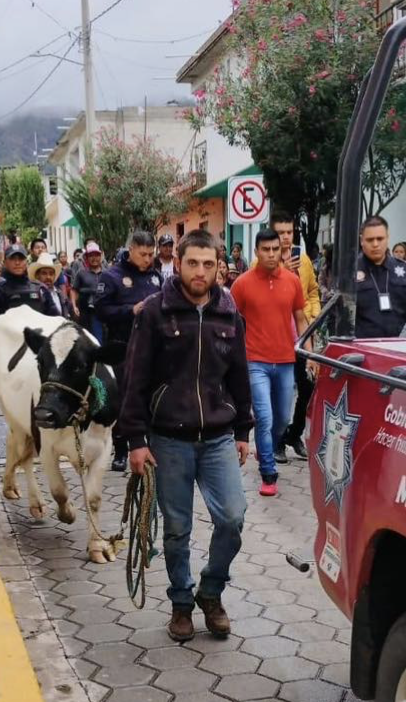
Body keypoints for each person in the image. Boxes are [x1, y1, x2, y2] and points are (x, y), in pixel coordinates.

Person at [119, 229, 253, 642]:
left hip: (217, 438)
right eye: (192, 263)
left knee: (232, 518)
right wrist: (135, 441)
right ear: (177, 263)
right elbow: (134, 379)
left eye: (208, 264)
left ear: (218, 267)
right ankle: (181, 603)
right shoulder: (155, 313)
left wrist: (243, 429)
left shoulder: (230, 315)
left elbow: (240, 378)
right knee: (176, 529)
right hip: (167, 441)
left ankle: (210, 593)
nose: (200, 271)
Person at [230, 228, 315, 496]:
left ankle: (266, 447)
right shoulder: (242, 284)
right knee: (264, 418)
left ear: (281, 251)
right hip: (255, 361)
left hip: (286, 360)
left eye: (275, 249)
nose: (270, 254)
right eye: (265, 249)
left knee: (281, 419)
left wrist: (310, 353)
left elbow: (301, 318)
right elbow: (229, 320)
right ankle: (268, 472)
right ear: (256, 252)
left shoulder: (291, 281)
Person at [95, 230, 164, 471]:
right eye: (143, 254)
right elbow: (101, 310)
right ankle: (121, 449)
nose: (147, 259)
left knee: (150, 397)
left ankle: (150, 443)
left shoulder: (156, 277)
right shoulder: (112, 276)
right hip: (121, 346)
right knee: (124, 399)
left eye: (150, 254)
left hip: (152, 348)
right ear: (131, 249)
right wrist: (129, 310)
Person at [269, 211, 320, 461]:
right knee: (282, 391)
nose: (286, 237)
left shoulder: (304, 259)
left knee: (308, 385)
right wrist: (281, 270)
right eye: (281, 233)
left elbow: (312, 291)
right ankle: (276, 441)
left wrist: (313, 316)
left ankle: (294, 433)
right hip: (277, 336)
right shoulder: (265, 260)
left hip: (303, 333)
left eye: (289, 232)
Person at [354, 216, 406, 339]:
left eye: (380, 239)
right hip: (363, 348)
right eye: (370, 240)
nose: (375, 244)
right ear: (361, 240)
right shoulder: (351, 271)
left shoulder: (403, 270)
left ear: (387, 238)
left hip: (399, 346)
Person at [0, 243, 51, 317]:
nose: (17, 263)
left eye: (21, 258)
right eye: (12, 259)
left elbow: (55, 320)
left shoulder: (41, 289)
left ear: (26, 262)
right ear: (4, 263)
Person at [71, 242, 106, 340]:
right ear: (86, 257)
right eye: (91, 255)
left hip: (103, 311)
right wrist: (74, 306)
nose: (94, 258)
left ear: (100, 256)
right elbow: (74, 290)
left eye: (96, 255)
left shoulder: (107, 273)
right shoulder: (81, 273)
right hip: (85, 311)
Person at [29, 253, 72, 318]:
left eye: (51, 274)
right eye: (44, 273)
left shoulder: (59, 294)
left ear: (54, 276)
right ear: (37, 276)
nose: (48, 277)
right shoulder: (33, 294)